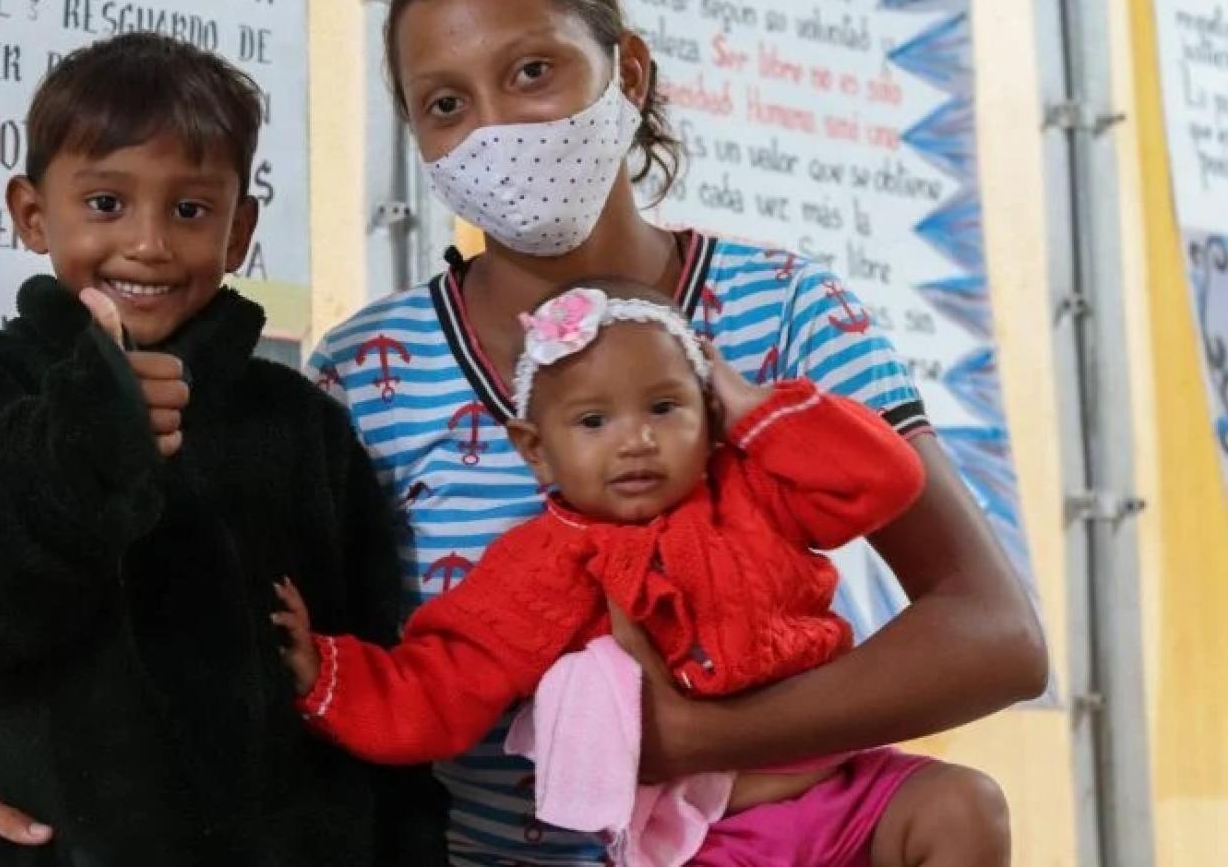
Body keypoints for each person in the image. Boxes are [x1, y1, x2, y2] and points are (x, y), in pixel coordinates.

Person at [0, 0, 1048, 863]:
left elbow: (996, 636)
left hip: (773, 835)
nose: (495, 124)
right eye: (444, 104)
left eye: (532, 70)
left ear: (625, 76)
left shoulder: (782, 315)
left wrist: (699, 740)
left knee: (958, 811)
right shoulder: (364, 373)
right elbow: (246, 670)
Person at [0, 31, 445, 866]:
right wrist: (77, 443)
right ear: (33, 214)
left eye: (189, 209)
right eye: (106, 203)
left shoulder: (301, 426)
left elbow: (374, 676)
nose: (147, 243)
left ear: (240, 229)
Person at [274, 280, 1007, 864]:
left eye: (664, 407)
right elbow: (446, 677)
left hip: (853, 790)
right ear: (535, 448)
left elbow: (881, 482)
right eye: (594, 422)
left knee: (967, 805)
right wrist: (331, 677)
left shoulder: (755, 489)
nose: (636, 442)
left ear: (708, 412)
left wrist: (757, 412)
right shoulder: (545, 563)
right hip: (710, 838)